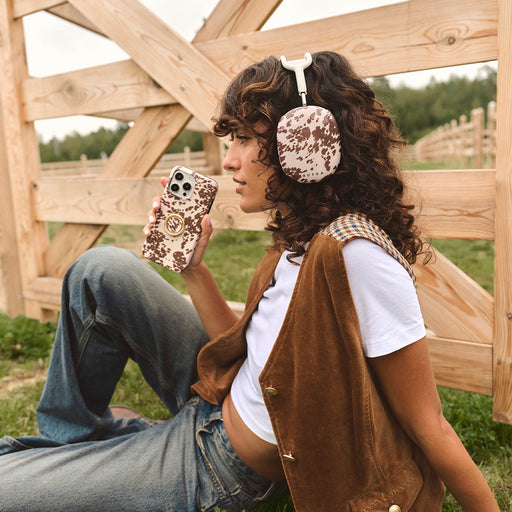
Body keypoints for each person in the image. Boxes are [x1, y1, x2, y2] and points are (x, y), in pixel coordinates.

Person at [0, 51, 498, 512]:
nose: (229, 161)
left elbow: (429, 424)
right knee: (99, 270)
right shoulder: (302, 234)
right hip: (219, 397)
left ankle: (95, 452)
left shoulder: (355, 257)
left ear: (305, 140)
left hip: (220, 465)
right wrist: (194, 268)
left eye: (243, 139)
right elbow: (249, 353)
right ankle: (74, 444)